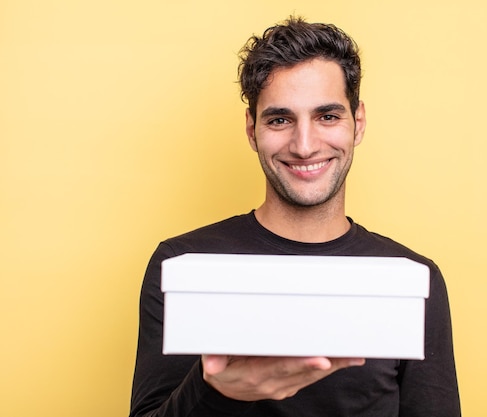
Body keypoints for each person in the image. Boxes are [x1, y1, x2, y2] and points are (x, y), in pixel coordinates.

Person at [130, 16, 461, 417]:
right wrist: (216, 388)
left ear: (357, 123)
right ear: (252, 130)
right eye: (280, 119)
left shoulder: (411, 280)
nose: (304, 146)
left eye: (327, 116)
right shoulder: (182, 266)